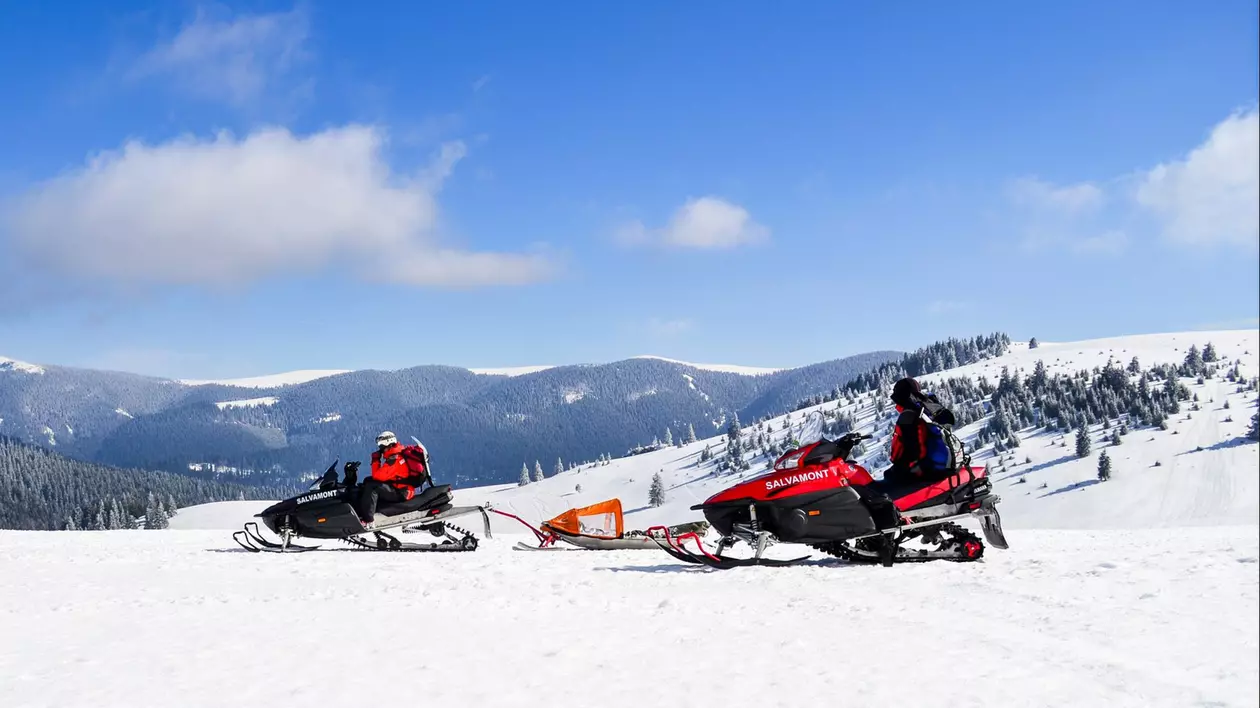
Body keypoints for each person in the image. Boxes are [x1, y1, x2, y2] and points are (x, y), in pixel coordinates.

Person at [884, 377, 955, 493]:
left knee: (886, 484)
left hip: (925, 469)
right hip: (942, 465)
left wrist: (903, 467)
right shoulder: (928, 407)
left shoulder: (908, 415)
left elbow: (911, 450)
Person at [356, 431, 432, 525]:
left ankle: (367, 520)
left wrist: (375, 460)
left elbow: (378, 476)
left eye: (382, 446)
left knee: (372, 487)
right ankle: (365, 509)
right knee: (368, 481)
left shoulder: (395, 459)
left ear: (389, 443)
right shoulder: (397, 454)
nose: (381, 449)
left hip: (402, 492)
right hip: (400, 488)